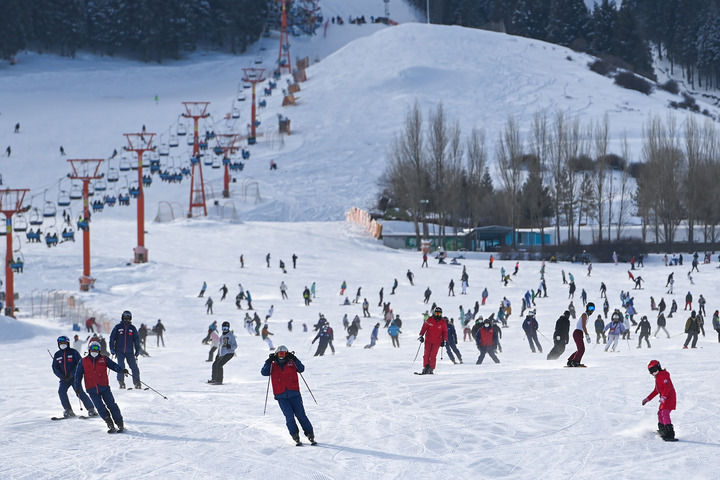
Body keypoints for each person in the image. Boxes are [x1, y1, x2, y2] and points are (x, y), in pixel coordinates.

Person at [261, 346, 315, 446]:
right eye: (279, 354)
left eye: (283, 354)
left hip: (294, 394)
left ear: (287, 354)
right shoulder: (272, 365)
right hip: (281, 396)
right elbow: (264, 373)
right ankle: (295, 435)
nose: (281, 356)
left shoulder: (292, 363)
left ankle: (310, 434)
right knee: (289, 416)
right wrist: (268, 361)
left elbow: (301, 369)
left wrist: (295, 358)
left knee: (301, 415)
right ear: (276, 354)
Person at [74, 341, 126, 433]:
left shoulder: (104, 359)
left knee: (112, 405)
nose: (94, 351)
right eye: (93, 348)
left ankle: (119, 423)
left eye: (96, 349)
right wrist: (77, 387)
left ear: (99, 350)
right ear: (89, 349)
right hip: (91, 389)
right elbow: (78, 375)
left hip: (104, 387)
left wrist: (121, 370)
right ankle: (109, 423)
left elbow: (113, 365)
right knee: (100, 407)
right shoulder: (83, 361)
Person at [52, 336, 97, 418]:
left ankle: (91, 409)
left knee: (79, 392)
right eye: (61, 343)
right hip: (64, 379)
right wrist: (61, 376)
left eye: (64, 343)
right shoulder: (57, 354)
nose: (63, 345)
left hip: (74, 378)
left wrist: (72, 374)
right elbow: (55, 368)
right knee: (61, 391)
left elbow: (80, 364)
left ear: (68, 343)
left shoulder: (73, 352)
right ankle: (68, 410)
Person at [642, 360, 677, 441]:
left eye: (654, 370)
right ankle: (663, 430)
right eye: (651, 371)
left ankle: (669, 433)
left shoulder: (664, 375)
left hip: (669, 398)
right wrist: (648, 399)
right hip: (664, 398)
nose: (653, 372)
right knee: (660, 413)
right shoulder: (658, 377)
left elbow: (667, 387)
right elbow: (656, 390)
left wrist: (664, 397)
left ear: (658, 367)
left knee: (664, 412)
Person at [109, 310, 141, 389]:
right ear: (122, 318)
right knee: (121, 366)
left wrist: (137, 350)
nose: (126, 319)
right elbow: (112, 338)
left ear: (130, 318)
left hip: (130, 352)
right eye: (125, 318)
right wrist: (112, 349)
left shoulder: (132, 328)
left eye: (128, 318)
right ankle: (121, 382)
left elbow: (137, 340)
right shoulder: (118, 327)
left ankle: (137, 383)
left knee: (134, 367)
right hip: (119, 351)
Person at [417, 307, 448, 374]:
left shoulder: (442, 322)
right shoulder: (430, 320)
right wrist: (421, 335)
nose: (438, 315)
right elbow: (424, 327)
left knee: (433, 355)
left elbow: (445, 331)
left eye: (439, 313)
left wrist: (444, 340)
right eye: (436, 313)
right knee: (426, 354)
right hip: (428, 340)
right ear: (434, 313)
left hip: (437, 341)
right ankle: (426, 367)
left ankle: (431, 368)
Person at [567, 302, 593, 367]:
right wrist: (587, 335)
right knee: (582, 349)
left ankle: (571, 361)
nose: (592, 310)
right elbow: (583, 326)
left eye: (593, 308)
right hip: (577, 332)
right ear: (587, 308)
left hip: (579, 333)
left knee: (580, 349)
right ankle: (575, 362)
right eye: (590, 308)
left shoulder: (586, 315)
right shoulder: (584, 315)